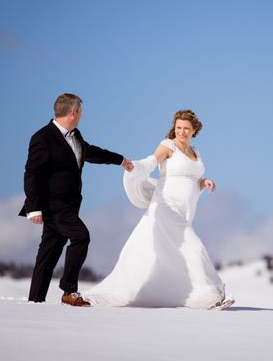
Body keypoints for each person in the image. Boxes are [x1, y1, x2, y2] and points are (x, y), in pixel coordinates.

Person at [84, 109, 234, 310]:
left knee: (172, 256)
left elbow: (191, 179)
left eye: (186, 129)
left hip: (185, 210)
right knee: (194, 247)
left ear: (194, 130)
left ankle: (192, 296)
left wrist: (204, 182)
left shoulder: (195, 152)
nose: (181, 132)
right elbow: (151, 161)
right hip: (166, 207)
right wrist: (135, 167)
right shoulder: (168, 146)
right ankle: (211, 296)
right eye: (178, 128)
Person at [20, 93, 134, 306]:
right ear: (74, 112)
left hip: (70, 206)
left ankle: (35, 301)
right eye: (81, 111)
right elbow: (31, 174)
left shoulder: (75, 135)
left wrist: (119, 160)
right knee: (81, 236)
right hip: (53, 205)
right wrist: (33, 208)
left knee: (49, 254)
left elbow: (89, 152)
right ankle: (69, 291)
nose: (82, 115)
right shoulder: (42, 137)